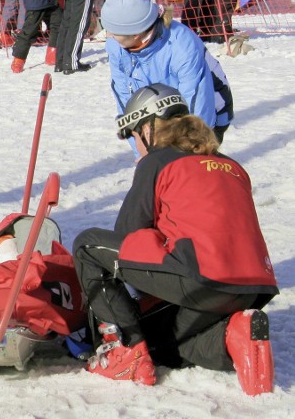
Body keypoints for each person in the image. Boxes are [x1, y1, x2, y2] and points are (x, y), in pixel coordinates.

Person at [73, 84, 277, 394]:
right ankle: (232, 337)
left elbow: (126, 236)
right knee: (160, 343)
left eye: (133, 135)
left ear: (148, 127)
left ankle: (125, 351)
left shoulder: (157, 162)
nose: (136, 145)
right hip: (252, 285)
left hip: (201, 274)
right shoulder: (231, 165)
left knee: (89, 245)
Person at [102, 0, 233, 146]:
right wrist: (142, 151)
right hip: (158, 110)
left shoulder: (181, 45)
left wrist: (191, 152)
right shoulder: (116, 45)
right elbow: (125, 99)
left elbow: (197, 106)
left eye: (113, 33)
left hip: (207, 110)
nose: (108, 36)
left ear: (135, 34)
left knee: (190, 165)